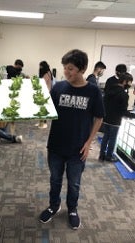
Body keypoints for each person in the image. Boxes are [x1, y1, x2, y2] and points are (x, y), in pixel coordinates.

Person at [39, 49, 104, 229]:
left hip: (78, 148)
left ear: (82, 69)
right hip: (56, 145)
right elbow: (46, 110)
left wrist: (89, 141)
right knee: (55, 180)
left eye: (71, 69)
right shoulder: (59, 87)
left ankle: (72, 209)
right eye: (65, 68)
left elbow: (99, 117)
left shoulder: (93, 91)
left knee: (74, 183)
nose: (66, 72)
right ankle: (54, 206)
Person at [99, 72, 135, 162]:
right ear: (125, 81)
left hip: (106, 118)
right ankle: (109, 156)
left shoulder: (109, 89)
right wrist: (133, 115)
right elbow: (123, 111)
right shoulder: (123, 94)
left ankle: (102, 155)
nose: (130, 85)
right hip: (115, 121)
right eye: (130, 82)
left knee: (105, 137)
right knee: (112, 139)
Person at [37, 61, 53, 129]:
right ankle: (42, 122)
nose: (39, 68)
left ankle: (44, 123)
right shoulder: (47, 72)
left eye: (40, 66)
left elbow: (42, 82)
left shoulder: (47, 73)